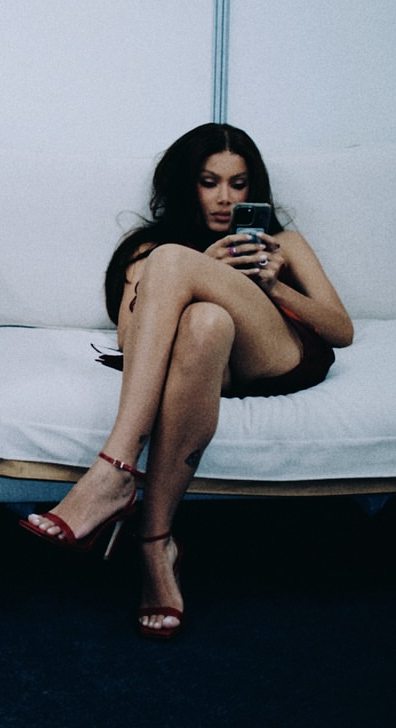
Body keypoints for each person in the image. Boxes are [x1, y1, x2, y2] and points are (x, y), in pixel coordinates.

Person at [20, 123, 354, 639]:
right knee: (205, 320)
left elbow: (341, 330)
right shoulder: (153, 249)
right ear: (186, 185)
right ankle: (156, 545)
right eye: (209, 182)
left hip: (276, 353)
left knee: (174, 264)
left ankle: (114, 472)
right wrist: (201, 268)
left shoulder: (283, 243)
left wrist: (274, 287)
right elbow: (131, 340)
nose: (225, 199)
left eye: (238, 184)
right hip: (206, 363)